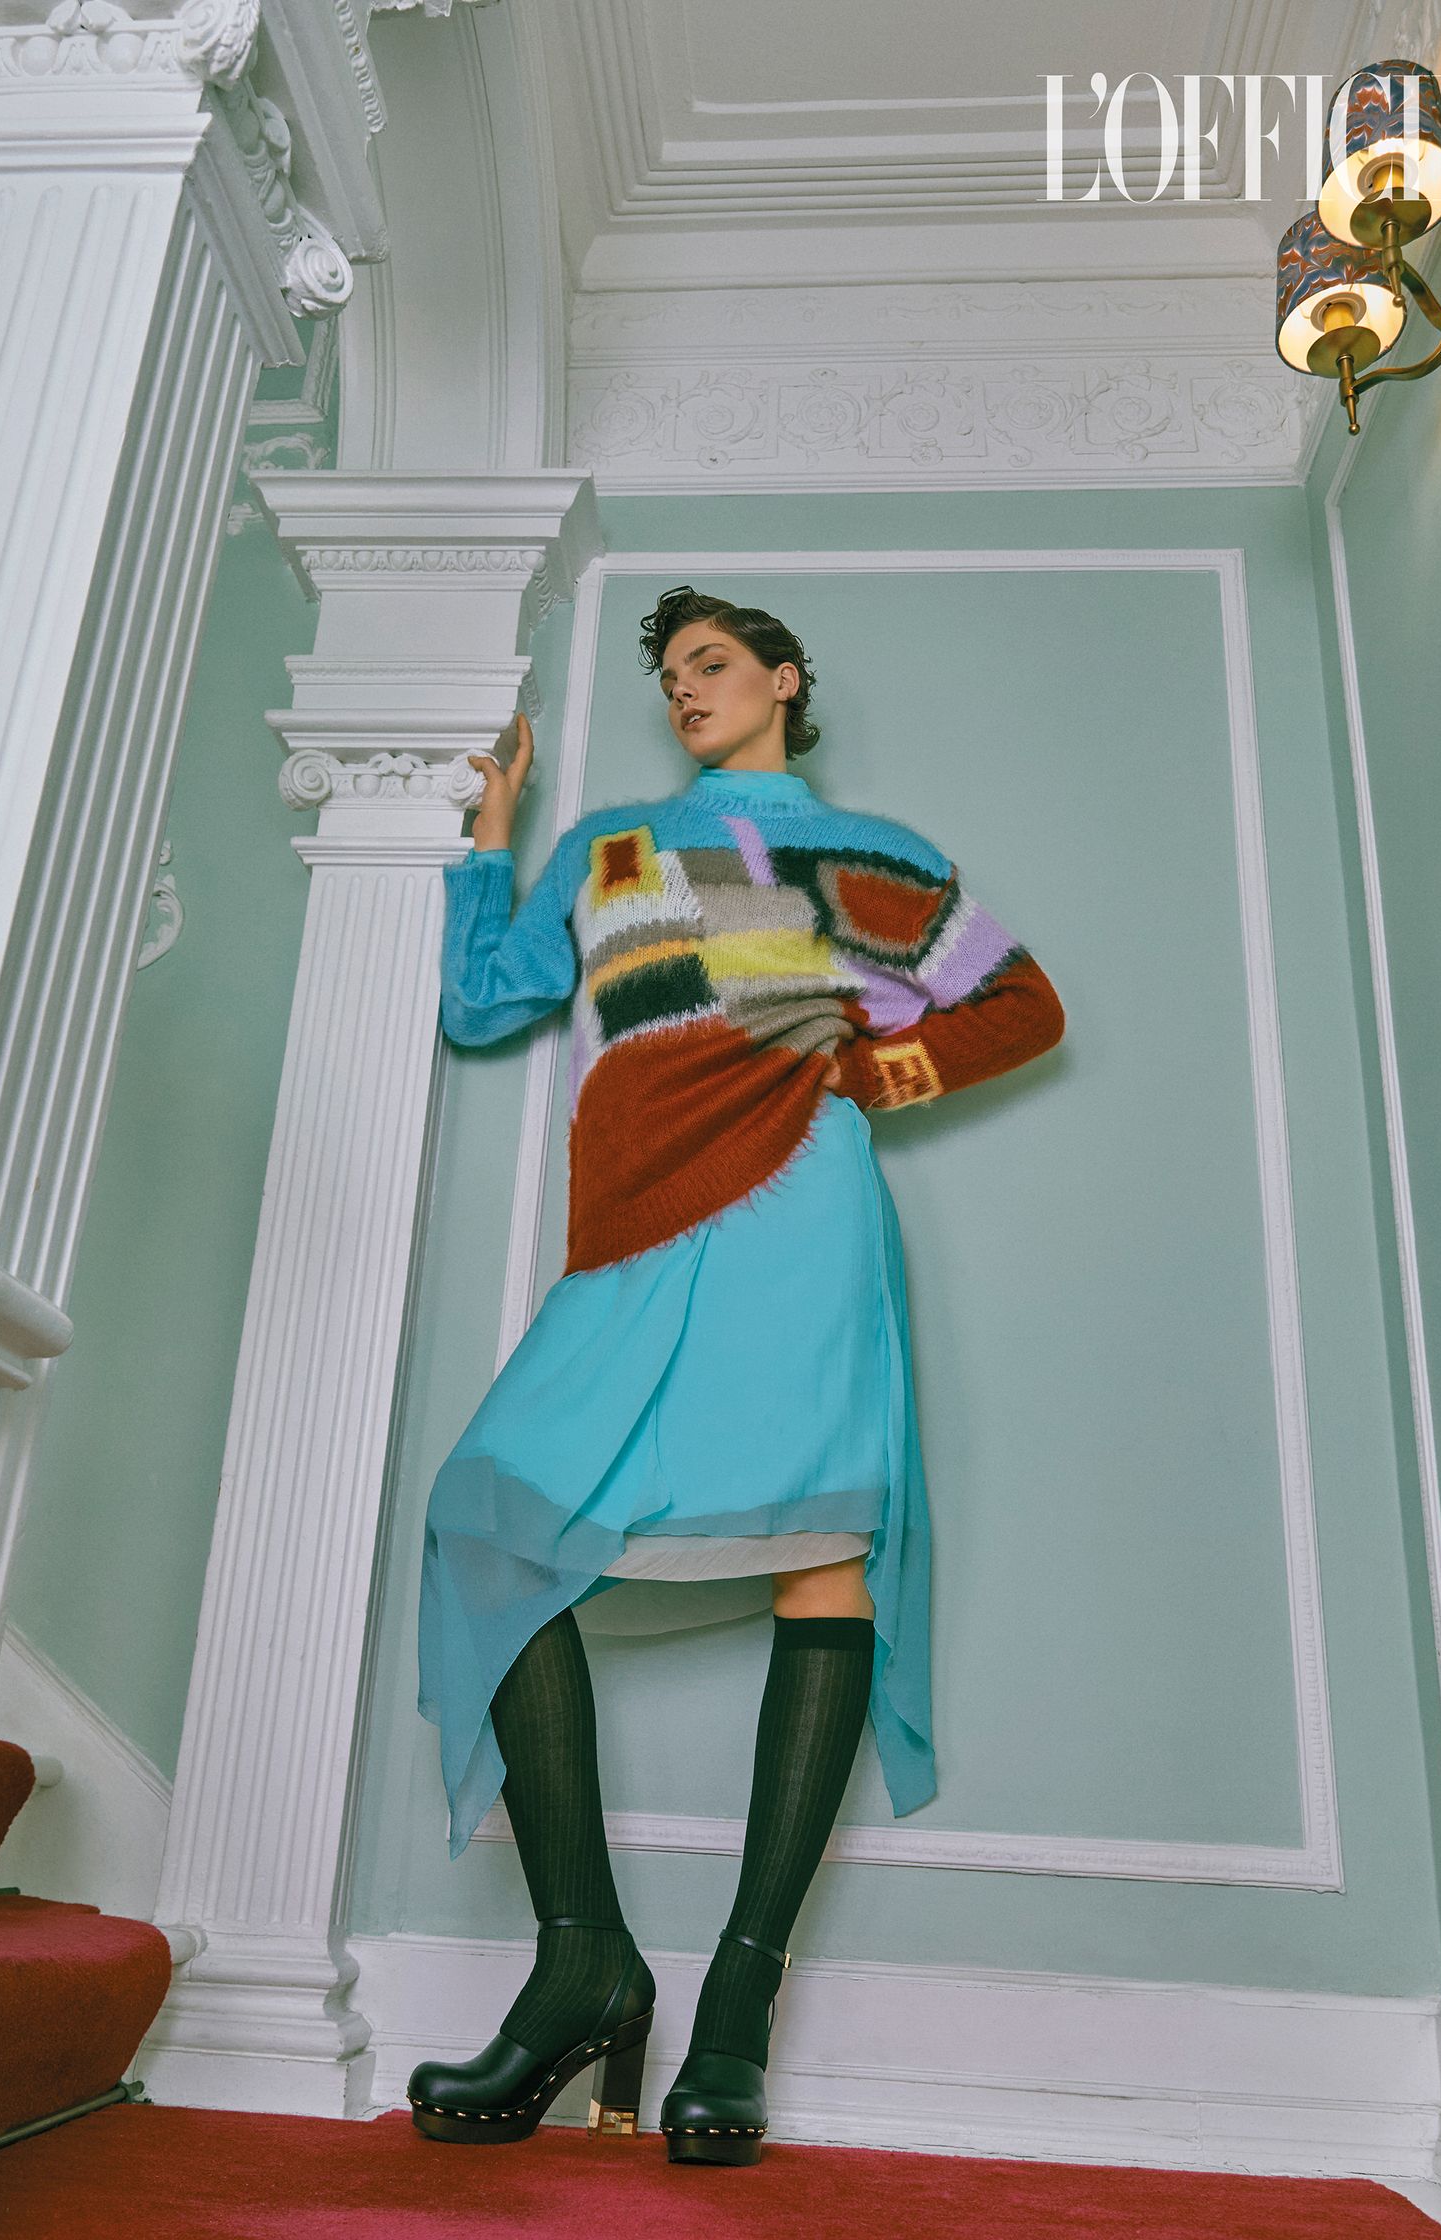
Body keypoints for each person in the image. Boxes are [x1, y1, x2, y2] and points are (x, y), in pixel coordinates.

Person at [407, 586, 1064, 2166]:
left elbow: (1022, 1005)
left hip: (799, 1213)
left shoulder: (866, 859)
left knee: (821, 1556)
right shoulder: (615, 849)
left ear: (785, 680)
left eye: (714, 663)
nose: (688, 688)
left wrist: (854, 1064)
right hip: (634, 1225)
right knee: (489, 1525)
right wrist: (494, 836)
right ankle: (585, 1958)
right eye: (671, 673)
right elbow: (484, 999)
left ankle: (738, 2016)